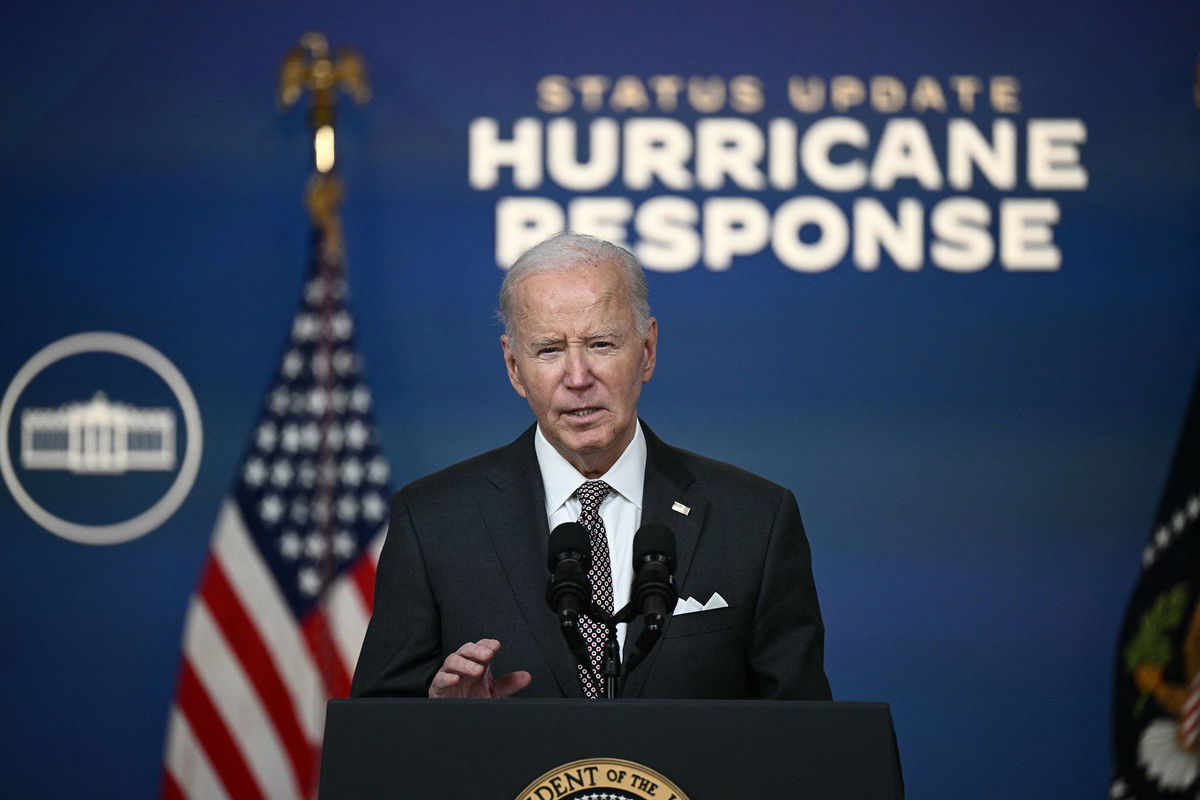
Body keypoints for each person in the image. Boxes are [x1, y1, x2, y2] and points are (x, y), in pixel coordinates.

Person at [350, 232, 830, 700]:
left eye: (601, 344)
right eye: (549, 350)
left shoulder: (753, 518)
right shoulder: (434, 521)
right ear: (514, 367)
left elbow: (805, 744)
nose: (578, 378)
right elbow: (378, 740)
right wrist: (445, 723)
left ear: (647, 351)